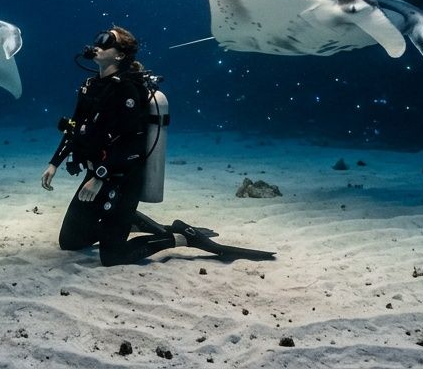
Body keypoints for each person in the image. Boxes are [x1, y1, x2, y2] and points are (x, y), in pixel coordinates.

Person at [41, 26, 275, 266]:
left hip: (121, 178)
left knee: (113, 256)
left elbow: (132, 145)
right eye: (98, 38)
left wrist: (101, 176)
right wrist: (54, 163)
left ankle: (180, 237)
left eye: (106, 40)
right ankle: (128, 221)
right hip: (97, 173)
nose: (98, 44)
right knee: (70, 241)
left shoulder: (128, 90)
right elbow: (75, 128)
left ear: (120, 55)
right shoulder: (90, 86)